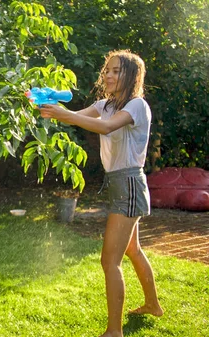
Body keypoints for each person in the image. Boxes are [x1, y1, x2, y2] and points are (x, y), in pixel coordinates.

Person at [38, 50, 164, 337]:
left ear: (131, 76)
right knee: (132, 249)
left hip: (129, 184)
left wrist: (62, 112)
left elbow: (106, 127)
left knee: (110, 261)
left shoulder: (136, 106)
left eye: (115, 71)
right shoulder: (105, 104)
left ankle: (114, 331)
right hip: (122, 185)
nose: (107, 75)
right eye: (107, 70)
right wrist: (43, 104)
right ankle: (153, 305)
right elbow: (73, 119)